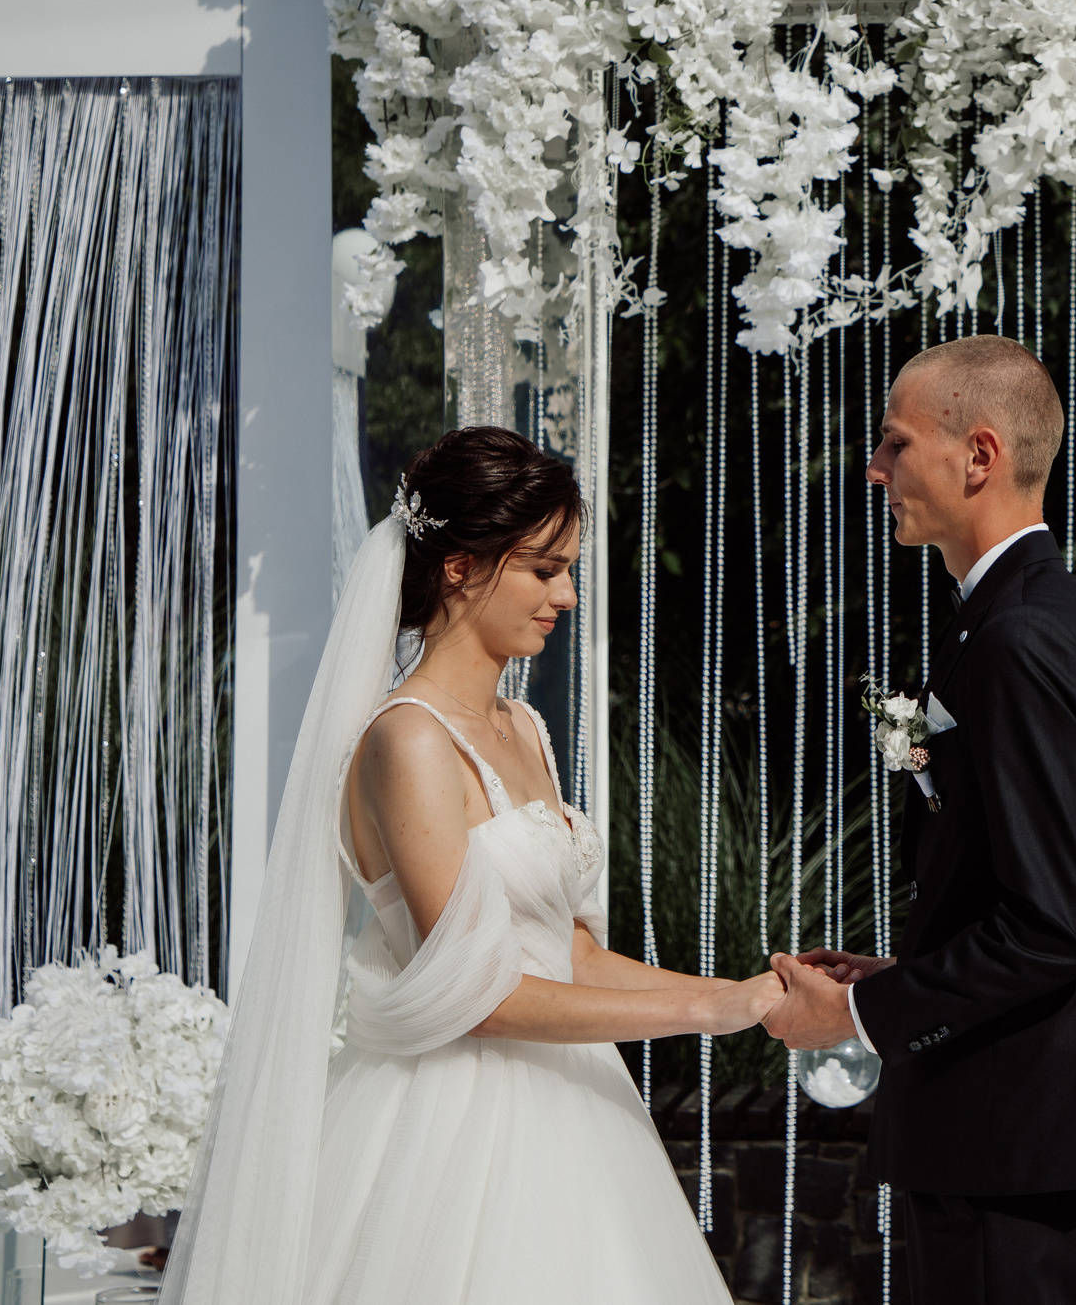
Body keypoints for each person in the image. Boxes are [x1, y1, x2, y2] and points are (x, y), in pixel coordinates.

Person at [164, 427, 782, 1305]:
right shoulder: (408, 739)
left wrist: (744, 993)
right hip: (451, 1128)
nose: (566, 594)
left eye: (569, 568)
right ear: (458, 566)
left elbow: (568, 953)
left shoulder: (522, 728)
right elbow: (476, 996)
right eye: (543, 567)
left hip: (576, 1105)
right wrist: (708, 1008)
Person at [763, 335, 1076, 1305]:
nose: (875, 468)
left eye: (894, 444)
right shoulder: (1043, 617)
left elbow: (1059, 922)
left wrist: (858, 1012)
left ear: (978, 456)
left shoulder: (1018, 641)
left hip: (1004, 1129)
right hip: (1011, 1126)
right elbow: (1055, 886)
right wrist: (911, 973)